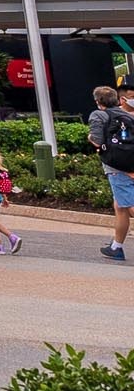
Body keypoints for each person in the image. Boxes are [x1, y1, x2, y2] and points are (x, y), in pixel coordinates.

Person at [87, 86, 134, 262]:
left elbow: (97, 141)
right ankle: (117, 247)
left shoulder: (98, 115)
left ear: (98, 101)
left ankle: (117, 247)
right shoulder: (129, 115)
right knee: (120, 207)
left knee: (129, 205)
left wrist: (90, 138)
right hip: (130, 163)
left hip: (117, 168)